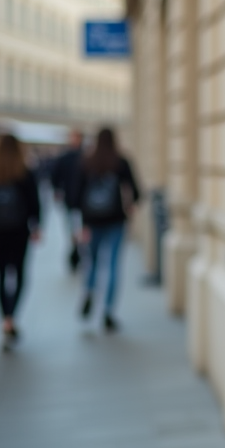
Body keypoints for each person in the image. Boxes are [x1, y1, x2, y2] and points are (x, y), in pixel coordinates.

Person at [0, 134, 41, 350]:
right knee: (19, 274)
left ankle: (4, 319)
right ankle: (12, 317)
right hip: (19, 232)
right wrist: (36, 227)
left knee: (0, 276)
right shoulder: (25, 173)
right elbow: (35, 205)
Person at [69, 128, 140, 332]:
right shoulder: (121, 162)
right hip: (116, 221)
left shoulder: (87, 161)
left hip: (92, 222)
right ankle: (108, 311)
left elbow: (76, 196)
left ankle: (89, 291)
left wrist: (83, 224)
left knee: (91, 262)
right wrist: (129, 206)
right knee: (113, 265)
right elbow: (136, 192)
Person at [51, 130, 85, 270]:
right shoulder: (66, 157)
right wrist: (58, 190)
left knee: (79, 229)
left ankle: (77, 252)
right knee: (72, 229)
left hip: (83, 202)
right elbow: (55, 177)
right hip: (70, 200)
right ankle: (75, 252)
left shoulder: (84, 156)